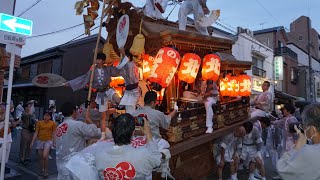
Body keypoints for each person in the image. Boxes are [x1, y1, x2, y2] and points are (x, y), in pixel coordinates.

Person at [65, 113, 162, 180]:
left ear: (113, 131)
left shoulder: (99, 154)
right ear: (133, 132)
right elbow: (157, 158)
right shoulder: (143, 155)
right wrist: (148, 134)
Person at [63, 52, 121, 141]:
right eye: (96, 59)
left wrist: (124, 61)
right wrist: (70, 83)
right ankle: (103, 135)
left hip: (108, 89)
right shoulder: (92, 71)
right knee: (103, 116)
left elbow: (118, 70)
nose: (97, 61)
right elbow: (83, 78)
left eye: (99, 59)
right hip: (101, 94)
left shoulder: (108, 69)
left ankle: (121, 105)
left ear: (103, 61)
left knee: (117, 99)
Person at [132, 90, 177, 178]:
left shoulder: (135, 112)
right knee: (167, 145)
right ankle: (162, 168)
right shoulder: (156, 113)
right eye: (155, 102)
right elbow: (166, 122)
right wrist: (175, 111)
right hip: (152, 141)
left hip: (137, 141)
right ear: (153, 102)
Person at [56, 102, 101, 180]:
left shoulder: (59, 127)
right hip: (74, 164)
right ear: (73, 111)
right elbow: (94, 132)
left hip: (61, 163)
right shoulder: (77, 124)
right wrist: (88, 119)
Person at [277, 103, 320, 180]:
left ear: (312, 130)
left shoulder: (309, 152)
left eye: (304, 126)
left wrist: (298, 147)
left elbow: (283, 168)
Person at [30, 111, 56, 178]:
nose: (46, 117)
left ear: (50, 117)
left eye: (48, 116)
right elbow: (36, 132)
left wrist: (54, 142)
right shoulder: (39, 123)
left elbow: (54, 133)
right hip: (40, 140)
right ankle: (42, 170)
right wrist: (32, 141)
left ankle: (46, 170)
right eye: (45, 115)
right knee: (41, 157)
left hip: (48, 141)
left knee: (45, 156)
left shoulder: (53, 123)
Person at [117, 48, 141, 114]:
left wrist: (123, 53)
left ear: (129, 57)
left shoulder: (130, 64)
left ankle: (131, 122)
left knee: (130, 111)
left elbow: (127, 66)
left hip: (133, 90)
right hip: (130, 90)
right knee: (129, 110)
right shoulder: (130, 65)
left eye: (126, 57)